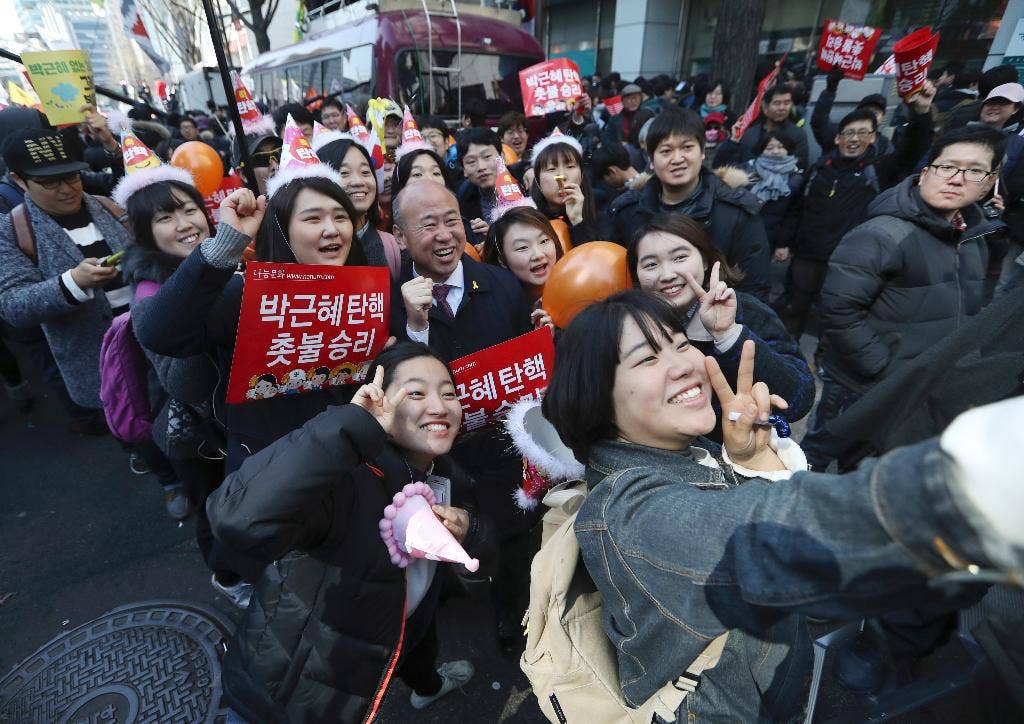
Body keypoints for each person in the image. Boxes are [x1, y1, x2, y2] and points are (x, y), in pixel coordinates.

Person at [539, 288, 1023, 722]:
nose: (685, 364)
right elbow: (768, 534)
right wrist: (966, 489)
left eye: (681, 343)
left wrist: (752, 459)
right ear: (597, 397)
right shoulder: (631, 513)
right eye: (647, 359)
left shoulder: (685, 450)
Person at [207, 343, 497, 722]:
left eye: (449, 392)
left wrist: (471, 533)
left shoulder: (447, 479)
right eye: (415, 393)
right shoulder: (343, 478)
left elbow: (468, 580)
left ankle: (427, 686)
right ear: (378, 401)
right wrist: (350, 424)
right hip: (284, 700)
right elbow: (236, 518)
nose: (440, 406)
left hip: (374, 673)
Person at [133, 172, 378, 476]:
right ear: (283, 230)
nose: (331, 229)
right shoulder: (247, 292)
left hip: (352, 459)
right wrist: (225, 246)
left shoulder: (366, 289)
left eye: (340, 217)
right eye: (313, 219)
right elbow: (158, 333)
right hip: (270, 472)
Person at [807, 125, 1006, 472]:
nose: (957, 178)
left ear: (989, 183)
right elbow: (839, 309)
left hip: (922, 387)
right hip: (864, 386)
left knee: (881, 475)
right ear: (926, 171)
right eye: (948, 166)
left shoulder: (975, 235)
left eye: (974, 170)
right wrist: (884, 370)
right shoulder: (881, 234)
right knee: (820, 469)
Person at [389, 181, 536, 652]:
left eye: (450, 219)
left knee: (511, 542)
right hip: (432, 462)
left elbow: (528, 367)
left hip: (500, 449)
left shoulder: (501, 284)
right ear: (399, 235)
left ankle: (513, 618)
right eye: (427, 224)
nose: (444, 234)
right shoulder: (386, 303)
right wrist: (415, 325)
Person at [119, 173, 249, 600]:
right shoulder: (151, 297)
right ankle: (228, 578)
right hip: (197, 436)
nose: (185, 223)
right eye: (166, 216)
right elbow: (185, 383)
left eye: (190, 209)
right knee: (217, 511)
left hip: (239, 423)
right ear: (142, 233)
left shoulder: (231, 265)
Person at [775, 83, 937, 340]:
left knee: (836, 316)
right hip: (807, 255)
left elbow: (913, 149)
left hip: (850, 262)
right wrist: (784, 241)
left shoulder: (880, 170)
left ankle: (823, 363)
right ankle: (786, 352)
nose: (854, 139)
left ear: (873, 137)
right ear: (838, 138)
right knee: (794, 308)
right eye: (848, 133)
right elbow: (797, 208)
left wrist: (921, 113)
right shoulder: (819, 169)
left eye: (862, 133)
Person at [0, 128, 134, 428]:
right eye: (49, 182)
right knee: (129, 428)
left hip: (152, 340)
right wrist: (72, 282)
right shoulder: (11, 231)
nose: (67, 189)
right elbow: (13, 306)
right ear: (19, 180)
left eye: (71, 177)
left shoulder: (108, 206)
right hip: (97, 361)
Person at [629, 213, 814, 424]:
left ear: (705, 261)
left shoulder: (746, 311)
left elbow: (798, 400)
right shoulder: (631, 328)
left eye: (680, 257)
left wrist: (728, 335)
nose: (667, 274)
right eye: (651, 265)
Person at [609, 109, 771, 299]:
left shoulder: (739, 212)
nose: (677, 159)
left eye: (687, 147)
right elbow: (618, 280)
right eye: (666, 151)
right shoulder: (627, 211)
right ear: (651, 160)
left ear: (702, 152)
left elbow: (755, 291)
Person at [317, 137, 401, 276]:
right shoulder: (310, 244)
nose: (358, 182)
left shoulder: (390, 245)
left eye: (365, 172)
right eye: (344, 173)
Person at [528, 132, 613, 246]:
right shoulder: (527, 223)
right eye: (551, 169)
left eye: (570, 167)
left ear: (582, 175)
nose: (562, 176)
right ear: (537, 180)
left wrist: (577, 221)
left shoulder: (602, 220)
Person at [482, 206, 562, 321]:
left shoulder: (575, 289)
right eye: (522, 247)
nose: (538, 255)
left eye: (543, 241)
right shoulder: (497, 313)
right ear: (502, 260)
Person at [742, 131, 803, 254]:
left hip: (771, 237)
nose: (775, 151)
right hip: (742, 232)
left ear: (788, 150)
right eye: (769, 148)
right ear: (761, 150)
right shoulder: (747, 169)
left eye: (781, 147)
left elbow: (793, 214)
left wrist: (783, 243)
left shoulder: (796, 178)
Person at [811, 67, 892, 157]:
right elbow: (818, 123)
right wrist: (830, 90)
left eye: (875, 113)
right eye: (866, 111)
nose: (871, 116)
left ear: (883, 118)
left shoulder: (884, 145)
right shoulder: (839, 133)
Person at [735, 85, 809, 168]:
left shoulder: (797, 135)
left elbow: (800, 167)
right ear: (765, 107)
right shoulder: (750, 135)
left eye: (787, 103)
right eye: (777, 103)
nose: (782, 108)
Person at [455, 127, 502, 244]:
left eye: (487, 157)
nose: (481, 167)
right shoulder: (462, 199)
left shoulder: (525, 182)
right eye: (471, 162)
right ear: (464, 170)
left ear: (502, 157)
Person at [589, 141, 642, 211]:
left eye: (603, 178)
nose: (606, 182)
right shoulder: (655, 182)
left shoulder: (621, 205)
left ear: (612, 171)